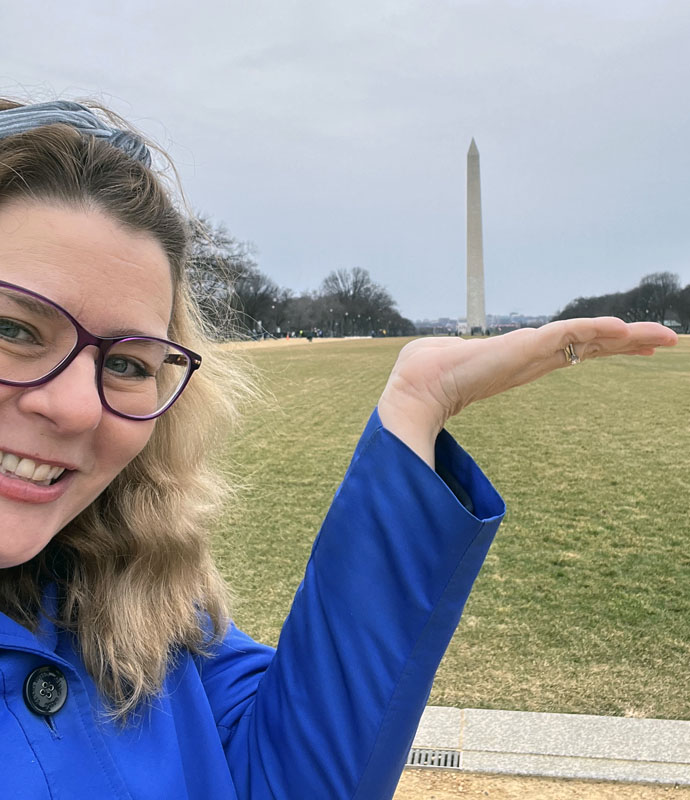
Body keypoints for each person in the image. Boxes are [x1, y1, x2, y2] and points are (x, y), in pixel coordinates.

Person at [0, 99, 677, 800]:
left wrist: (414, 414)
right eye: (13, 327)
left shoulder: (147, 599)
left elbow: (292, 780)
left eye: (129, 364)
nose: (78, 406)